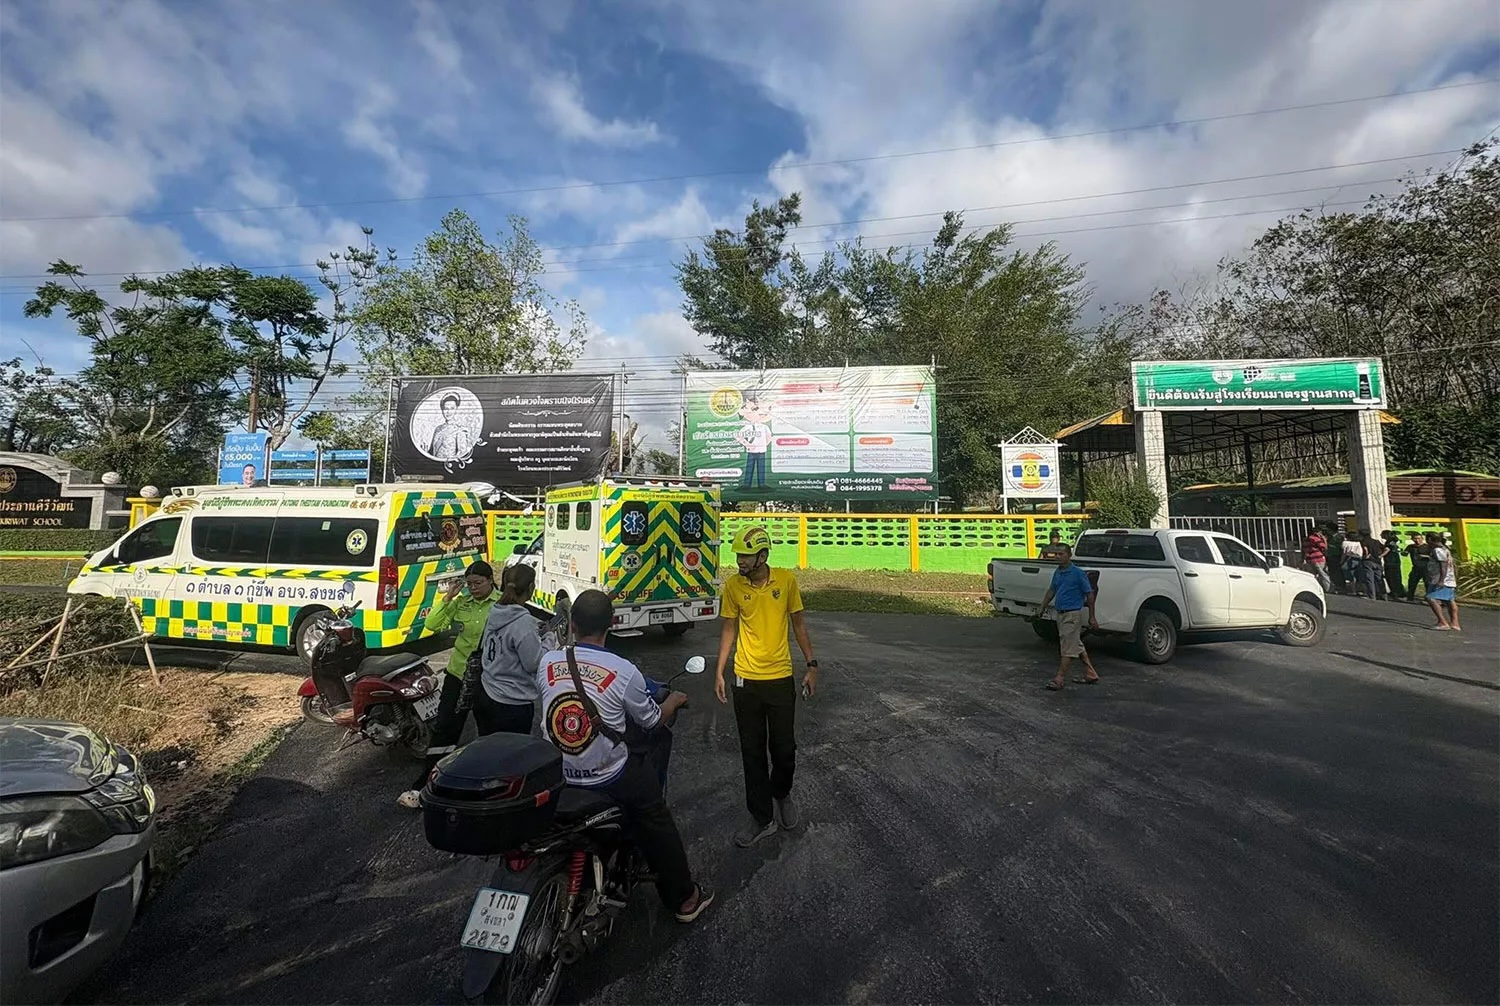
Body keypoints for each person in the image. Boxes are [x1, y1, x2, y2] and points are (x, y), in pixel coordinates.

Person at [536, 589, 714, 923]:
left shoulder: (548, 661)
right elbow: (651, 720)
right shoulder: (623, 671)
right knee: (656, 818)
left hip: (557, 771)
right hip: (607, 776)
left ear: (572, 625)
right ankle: (684, 898)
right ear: (613, 624)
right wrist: (673, 701)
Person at [714, 525, 818, 848]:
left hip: (780, 679)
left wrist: (811, 665)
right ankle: (761, 817)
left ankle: (781, 793)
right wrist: (719, 671)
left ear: (762, 556)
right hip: (745, 681)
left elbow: (798, 624)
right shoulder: (732, 586)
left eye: (745, 556)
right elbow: (729, 629)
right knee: (752, 752)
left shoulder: (785, 581)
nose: (739, 561)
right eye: (738, 555)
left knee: (784, 750)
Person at [397, 559, 498, 809]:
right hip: (458, 673)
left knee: (488, 731)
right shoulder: (461, 603)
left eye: (478, 583)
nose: (472, 588)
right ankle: (424, 785)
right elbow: (432, 625)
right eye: (468, 584)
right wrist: (448, 598)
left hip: (488, 678)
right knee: (445, 729)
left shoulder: (501, 606)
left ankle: (489, 787)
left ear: (490, 581)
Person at [476, 564, 543, 736]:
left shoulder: (495, 610)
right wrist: (549, 640)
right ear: (531, 588)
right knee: (511, 757)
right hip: (512, 702)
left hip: (486, 691)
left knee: (488, 749)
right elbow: (533, 663)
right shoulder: (523, 622)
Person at [1039, 544, 1100, 691]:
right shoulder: (1058, 572)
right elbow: (1052, 590)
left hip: (1072, 615)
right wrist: (1043, 606)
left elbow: (1089, 594)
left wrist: (1092, 617)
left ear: (1069, 555)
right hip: (1061, 614)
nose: (1059, 557)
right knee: (1075, 644)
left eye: (1061, 554)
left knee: (1067, 648)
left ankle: (1059, 678)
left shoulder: (1078, 573)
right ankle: (1091, 672)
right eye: (1057, 554)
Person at [1425, 532, 1461, 631]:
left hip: (1440, 579)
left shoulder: (1438, 550)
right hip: (1449, 579)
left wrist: (1441, 580)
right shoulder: (1446, 549)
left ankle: (1442, 622)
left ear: (1429, 540)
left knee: (1430, 598)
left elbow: (1443, 565)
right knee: (1449, 600)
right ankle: (1455, 622)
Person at [428, 393, 475, 460]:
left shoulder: (460, 430)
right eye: (446, 408)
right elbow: (432, 452)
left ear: (456, 409)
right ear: (442, 409)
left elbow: (461, 454)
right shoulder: (438, 429)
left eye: (452, 408)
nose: (448, 412)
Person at [1359, 530, 1387, 600]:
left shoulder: (1364, 541)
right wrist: (1380, 556)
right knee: (1379, 579)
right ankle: (1384, 596)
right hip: (1378, 562)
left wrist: (1366, 555)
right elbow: (1386, 549)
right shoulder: (1376, 541)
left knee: (1369, 579)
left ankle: (1372, 596)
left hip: (1368, 562)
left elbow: (1365, 549)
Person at [1301, 526, 1331, 591]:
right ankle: (1327, 588)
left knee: (1312, 575)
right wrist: (1324, 539)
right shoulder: (1316, 539)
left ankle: (1314, 588)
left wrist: (1302, 559)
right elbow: (1324, 547)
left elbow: (1303, 550)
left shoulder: (1305, 539)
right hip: (1318, 559)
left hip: (1309, 559)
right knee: (1323, 574)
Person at [1404, 531, 1431, 602]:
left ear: (1422, 539)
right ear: (1412, 539)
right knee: (1412, 582)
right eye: (1415, 539)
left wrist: (1425, 556)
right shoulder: (1410, 547)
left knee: (1428, 583)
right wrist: (1404, 553)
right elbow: (1405, 553)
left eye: (1419, 538)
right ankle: (1410, 597)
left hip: (1426, 568)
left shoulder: (1427, 547)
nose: (1417, 540)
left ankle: (1429, 598)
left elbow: (1433, 557)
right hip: (1416, 568)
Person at [1380, 530, 1406, 600]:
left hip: (1391, 562)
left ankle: (1396, 593)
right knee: (1396, 577)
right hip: (1395, 561)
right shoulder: (1393, 541)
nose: (1380, 535)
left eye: (1382, 534)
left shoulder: (1389, 542)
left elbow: (1387, 550)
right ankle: (1398, 592)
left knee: (1392, 577)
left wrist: (1380, 556)